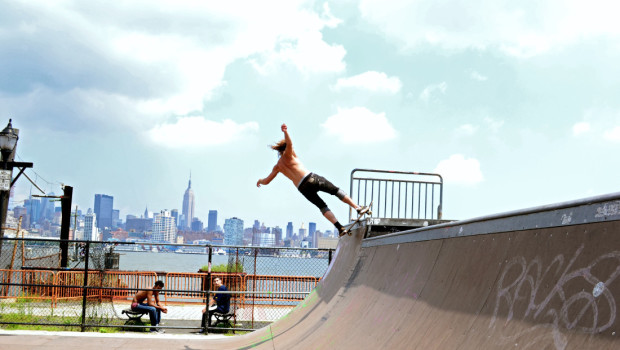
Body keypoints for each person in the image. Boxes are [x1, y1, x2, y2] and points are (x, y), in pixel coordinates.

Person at [257, 123, 369, 236]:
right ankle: (357, 207)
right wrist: (285, 132)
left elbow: (266, 181)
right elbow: (290, 143)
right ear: (286, 149)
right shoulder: (288, 155)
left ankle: (339, 228)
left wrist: (260, 181)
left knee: (322, 207)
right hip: (311, 179)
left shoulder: (277, 167)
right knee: (335, 191)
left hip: (302, 189)